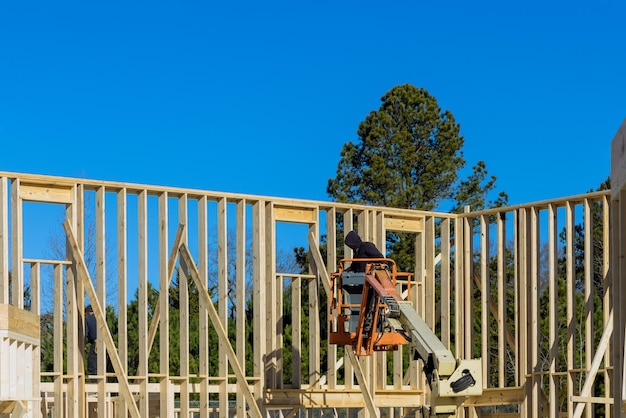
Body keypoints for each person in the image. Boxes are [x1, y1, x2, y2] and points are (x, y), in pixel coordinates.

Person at [84, 305, 97, 379]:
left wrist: (83, 345)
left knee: (93, 367)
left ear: (87, 313)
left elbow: (84, 334)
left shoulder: (87, 319)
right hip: (108, 346)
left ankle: (96, 388)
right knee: (104, 369)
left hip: (96, 346)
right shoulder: (102, 319)